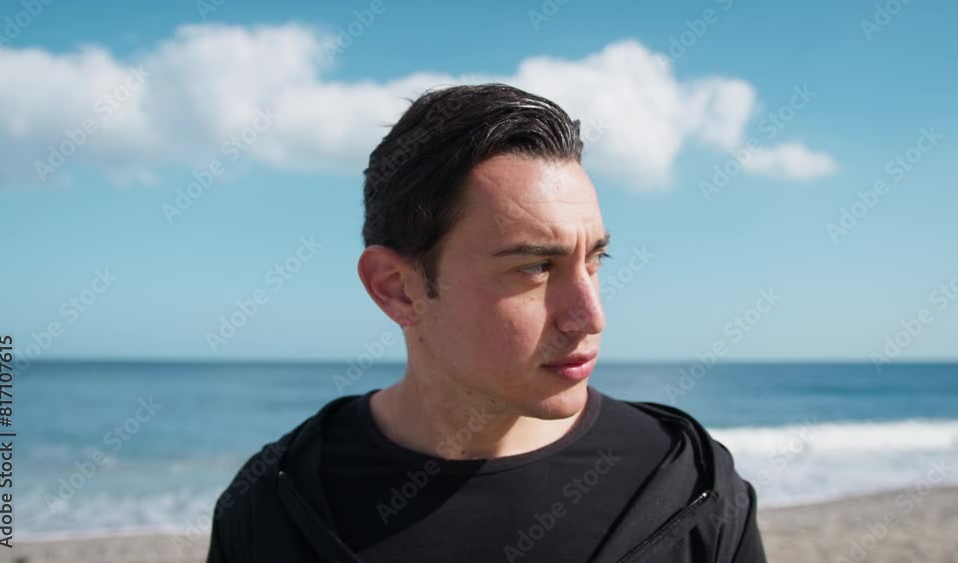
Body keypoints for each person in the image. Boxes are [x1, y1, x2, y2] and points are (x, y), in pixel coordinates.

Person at [206, 83, 767, 562]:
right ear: (397, 289)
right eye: (535, 268)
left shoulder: (691, 487)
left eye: (595, 260)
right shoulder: (275, 507)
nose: (589, 315)